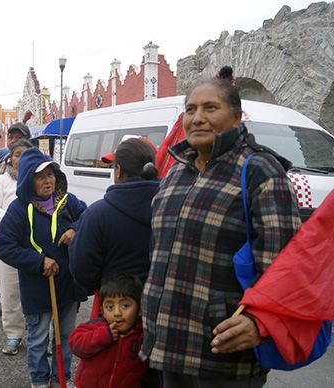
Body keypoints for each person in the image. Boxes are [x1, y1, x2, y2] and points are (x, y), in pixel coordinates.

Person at [141, 66, 301, 387]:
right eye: (190, 109)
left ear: (237, 118)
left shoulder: (259, 170)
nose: (197, 118)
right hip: (168, 344)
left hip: (221, 350)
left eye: (210, 108)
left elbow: (287, 266)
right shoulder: (177, 171)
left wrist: (260, 323)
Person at [0, 147, 87, 387]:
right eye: (40, 176)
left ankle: (60, 379)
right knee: (37, 340)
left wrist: (74, 229)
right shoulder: (18, 210)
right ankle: (38, 380)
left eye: (50, 174)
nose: (48, 180)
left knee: (64, 337)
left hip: (67, 284)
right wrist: (39, 261)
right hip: (38, 286)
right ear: (28, 180)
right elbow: (5, 247)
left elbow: (88, 216)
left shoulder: (67, 202)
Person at [69, 137, 160, 293]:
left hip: (114, 306)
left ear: (118, 171)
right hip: (160, 306)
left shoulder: (97, 215)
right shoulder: (171, 207)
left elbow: (83, 272)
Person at [0, 139, 33, 355]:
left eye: (26, 154)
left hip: (34, 246)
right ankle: (14, 336)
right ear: (10, 158)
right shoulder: (3, 180)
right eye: (17, 154)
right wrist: (12, 221)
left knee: (34, 293)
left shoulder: (39, 179)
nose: (20, 159)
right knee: (10, 292)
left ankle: (39, 336)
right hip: (8, 245)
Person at [68, 274, 149, 388]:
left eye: (125, 306)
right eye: (110, 307)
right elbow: (75, 343)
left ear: (140, 309)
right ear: (103, 310)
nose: (117, 313)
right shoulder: (96, 326)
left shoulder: (143, 335)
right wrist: (103, 336)